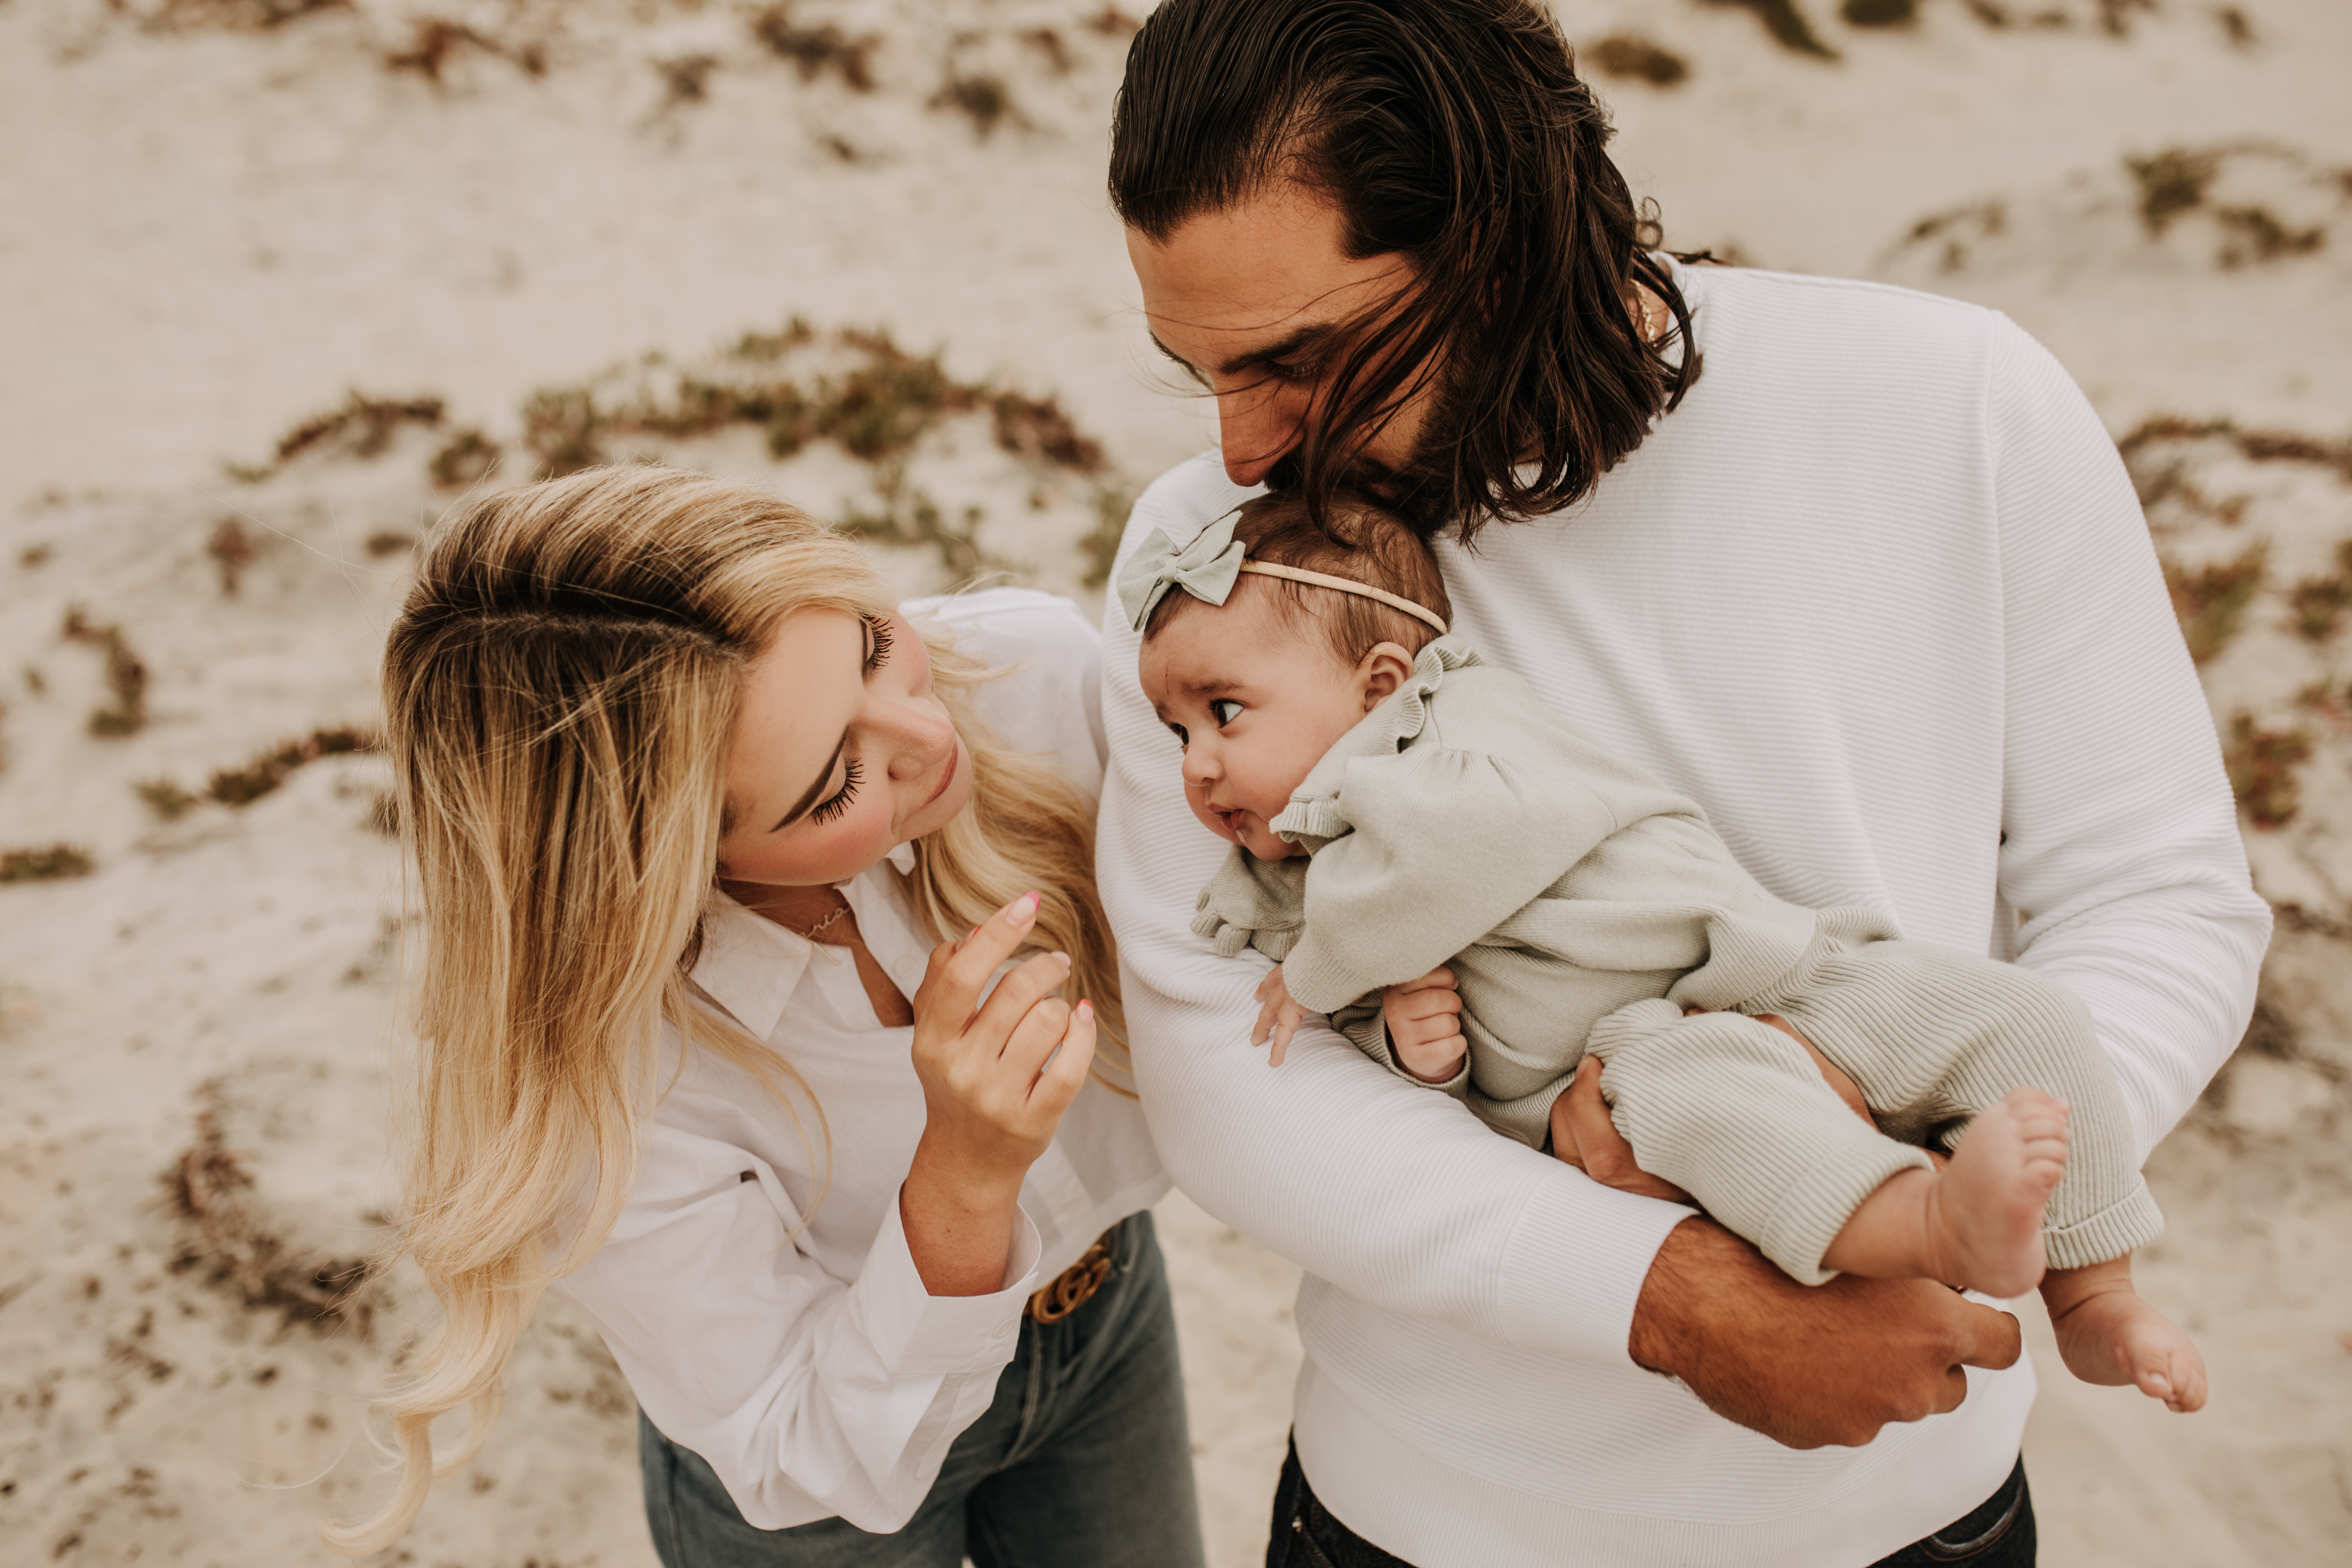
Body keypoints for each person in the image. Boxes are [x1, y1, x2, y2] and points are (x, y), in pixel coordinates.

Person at [1095, 2, 2268, 1565]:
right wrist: (1666, 1294)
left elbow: (2159, 895)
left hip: (1912, 1514)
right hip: (1426, 1522)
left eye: (1298, 361)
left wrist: (1886, 1166)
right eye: (1202, 374)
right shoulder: (1224, 576)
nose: (1243, 451)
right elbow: (1220, 1058)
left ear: (1498, 238)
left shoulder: (1956, 403)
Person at [1125, 491, 2204, 1412]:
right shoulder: (1298, 885)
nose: (1200, 766)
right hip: (1637, 1050)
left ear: (1382, 685)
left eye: (1224, 713)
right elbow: (1400, 1077)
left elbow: (1454, 857)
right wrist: (1420, 1052)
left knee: (2020, 1016)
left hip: (1785, 962)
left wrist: (1318, 977)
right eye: (1178, 733)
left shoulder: (1456, 734)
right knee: (1722, 1109)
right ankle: (1932, 1221)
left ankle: (2094, 1288)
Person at [334, 466, 1203, 1568]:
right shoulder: (612, 1084)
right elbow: (796, 1451)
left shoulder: (1039, 673)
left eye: (875, 648)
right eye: (835, 787)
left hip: (1111, 1312)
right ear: (661, 869)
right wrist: (965, 1179)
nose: (930, 738)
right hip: (823, 1480)